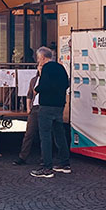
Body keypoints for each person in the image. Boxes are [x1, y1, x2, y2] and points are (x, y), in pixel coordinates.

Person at [30, 46, 70, 178]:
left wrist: (37, 88)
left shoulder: (46, 68)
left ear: (42, 57)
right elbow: (66, 83)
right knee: (60, 134)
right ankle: (65, 163)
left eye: (38, 58)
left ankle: (47, 167)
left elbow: (44, 85)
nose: (38, 61)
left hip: (47, 105)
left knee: (45, 135)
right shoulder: (60, 67)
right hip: (59, 105)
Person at [13, 72, 40, 166]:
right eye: (39, 66)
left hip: (44, 108)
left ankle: (45, 158)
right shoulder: (34, 80)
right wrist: (28, 108)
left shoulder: (48, 79)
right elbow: (29, 95)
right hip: (34, 108)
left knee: (45, 134)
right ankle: (22, 156)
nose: (40, 68)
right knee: (29, 133)